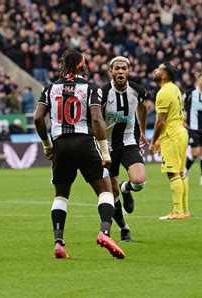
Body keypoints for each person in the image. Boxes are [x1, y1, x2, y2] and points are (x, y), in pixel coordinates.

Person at [34, 49, 125, 259]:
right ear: (81, 66)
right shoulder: (91, 88)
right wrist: (104, 151)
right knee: (105, 191)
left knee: (61, 195)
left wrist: (47, 146)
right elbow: (96, 119)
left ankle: (59, 242)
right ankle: (105, 233)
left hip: (60, 145)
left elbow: (38, 118)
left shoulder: (49, 88)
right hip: (84, 142)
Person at [100, 56, 148, 242]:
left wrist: (142, 131)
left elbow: (142, 108)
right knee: (111, 193)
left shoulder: (138, 91)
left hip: (128, 142)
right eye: (117, 68)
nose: (120, 71)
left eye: (123, 68)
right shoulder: (102, 93)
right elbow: (94, 119)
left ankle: (126, 188)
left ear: (129, 71)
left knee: (139, 181)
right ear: (111, 72)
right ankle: (124, 228)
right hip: (107, 146)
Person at [149, 62, 189, 220]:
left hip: (171, 135)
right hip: (180, 132)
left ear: (164, 75)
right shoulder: (175, 88)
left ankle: (177, 211)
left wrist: (154, 141)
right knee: (180, 174)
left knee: (173, 174)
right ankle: (184, 210)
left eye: (158, 69)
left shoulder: (163, 92)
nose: (155, 70)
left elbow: (160, 122)